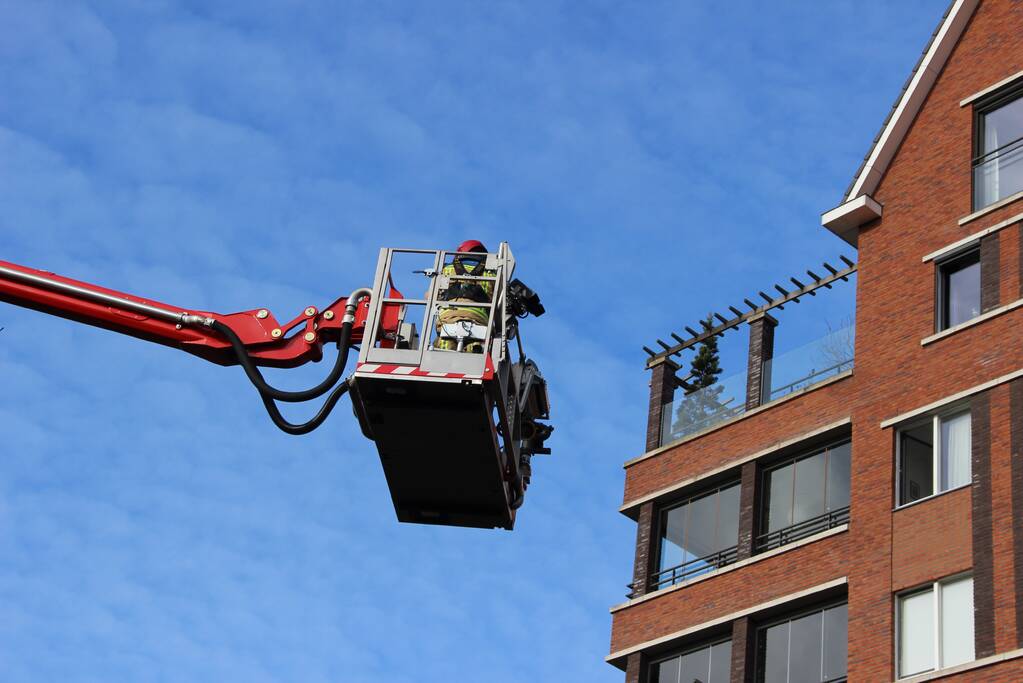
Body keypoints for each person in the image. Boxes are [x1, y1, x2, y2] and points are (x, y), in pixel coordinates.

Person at [434, 240, 496, 352]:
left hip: (448, 318)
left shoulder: (448, 269)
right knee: (476, 350)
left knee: (444, 347)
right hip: (479, 320)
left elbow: (430, 296)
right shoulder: (491, 274)